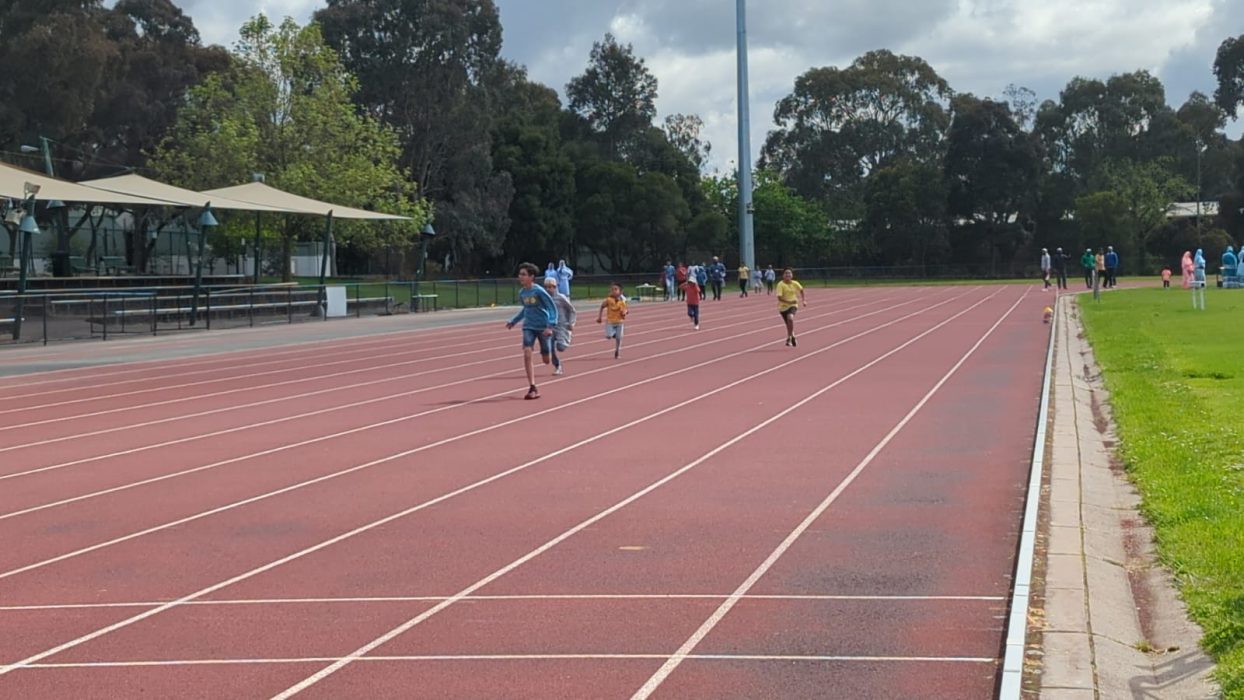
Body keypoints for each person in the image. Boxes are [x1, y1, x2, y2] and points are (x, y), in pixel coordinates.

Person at [505, 262, 559, 400]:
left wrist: (550, 326)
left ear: (531, 277)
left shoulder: (539, 291)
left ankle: (547, 352)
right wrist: (514, 321)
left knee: (546, 359)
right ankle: (532, 386)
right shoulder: (522, 293)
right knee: (527, 353)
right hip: (528, 326)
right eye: (520, 274)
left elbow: (552, 308)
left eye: (524, 274)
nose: (520, 277)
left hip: (542, 327)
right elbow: (525, 309)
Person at [543, 277, 576, 376]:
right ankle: (557, 366)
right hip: (550, 327)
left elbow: (572, 310)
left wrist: (571, 323)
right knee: (550, 348)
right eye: (546, 287)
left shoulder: (561, 298)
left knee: (561, 347)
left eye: (550, 287)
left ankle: (567, 338)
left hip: (562, 325)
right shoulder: (544, 299)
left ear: (555, 287)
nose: (548, 289)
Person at [775, 267, 807, 347]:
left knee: (790, 318)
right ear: (783, 275)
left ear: (792, 275)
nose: (788, 275)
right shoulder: (780, 284)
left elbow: (802, 290)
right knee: (788, 324)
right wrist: (788, 301)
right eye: (786, 273)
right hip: (783, 307)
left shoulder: (795, 283)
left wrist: (803, 300)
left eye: (789, 273)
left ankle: (789, 337)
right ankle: (792, 336)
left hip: (793, 305)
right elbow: (779, 297)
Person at [597, 282, 628, 358]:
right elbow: (602, 306)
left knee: (619, 338)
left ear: (620, 291)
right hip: (610, 322)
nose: (613, 291)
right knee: (608, 336)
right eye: (612, 289)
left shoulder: (622, 301)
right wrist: (599, 317)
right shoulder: (609, 300)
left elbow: (626, 310)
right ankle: (614, 334)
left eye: (615, 289)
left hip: (619, 322)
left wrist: (624, 312)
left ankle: (617, 351)